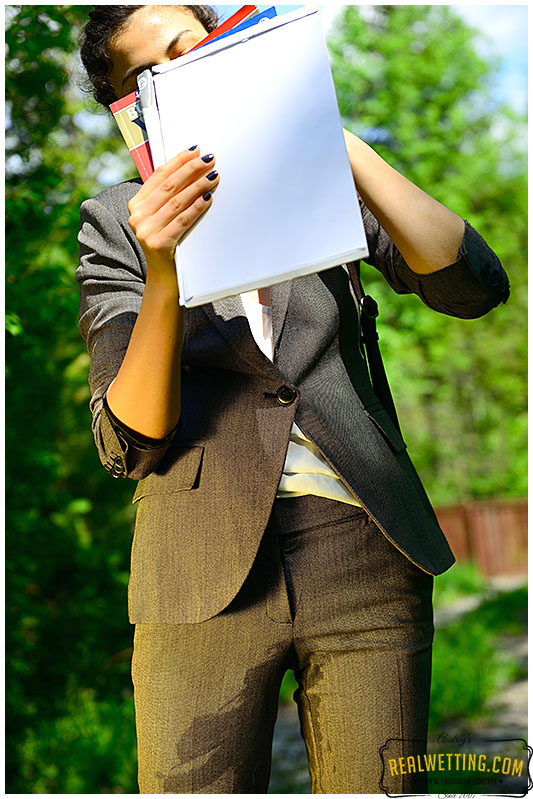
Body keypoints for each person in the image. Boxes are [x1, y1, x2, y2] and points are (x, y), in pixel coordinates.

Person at [77, 5, 510, 794]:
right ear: (127, 109)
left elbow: (470, 287)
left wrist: (329, 136)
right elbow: (130, 440)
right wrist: (166, 267)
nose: (183, 70)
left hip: (364, 544)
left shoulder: (318, 178)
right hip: (197, 568)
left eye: (193, 45)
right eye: (150, 71)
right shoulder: (114, 224)